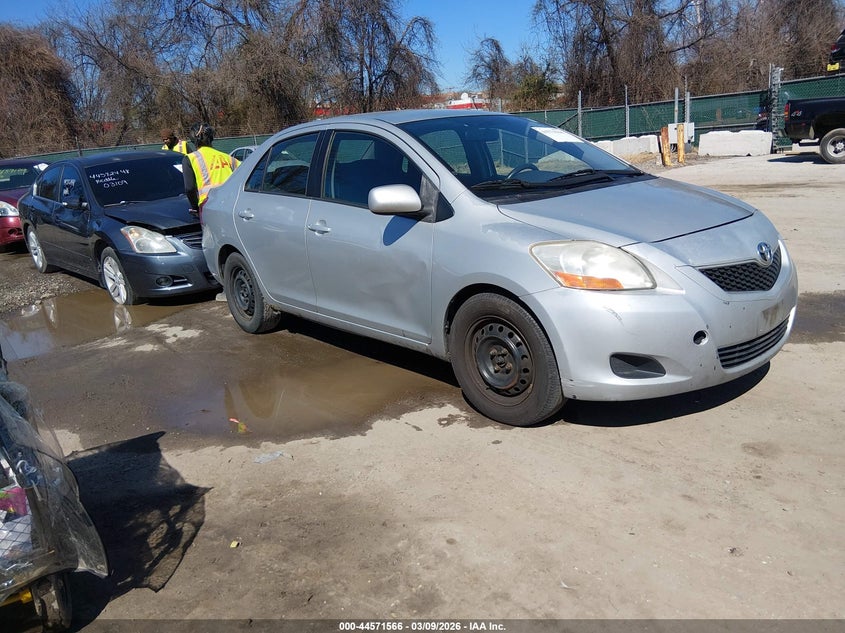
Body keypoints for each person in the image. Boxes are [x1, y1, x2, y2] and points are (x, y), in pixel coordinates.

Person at [183, 122, 240, 214]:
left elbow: (190, 188)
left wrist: (195, 207)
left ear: (193, 139)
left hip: (208, 207)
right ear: (211, 138)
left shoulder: (190, 159)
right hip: (232, 204)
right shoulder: (227, 158)